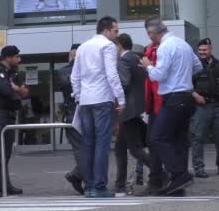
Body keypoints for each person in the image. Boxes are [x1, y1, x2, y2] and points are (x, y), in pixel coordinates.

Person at [140, 16, 202, 196]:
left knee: (157, 137)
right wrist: (182, 75)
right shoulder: (183, 44)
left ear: (152, 33)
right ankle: (178, 184)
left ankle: (179, 174)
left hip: (173, 98)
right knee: (178, 139)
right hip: (186, 97)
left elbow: (158, 75)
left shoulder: (165, 47)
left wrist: (148, 66)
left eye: (149, 35)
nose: (150, 38)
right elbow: (198, 67)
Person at [71, 16, 126, 198]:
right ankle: (100, 186)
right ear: (107, 30)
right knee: (102, 144)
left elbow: (75, 76)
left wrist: (79, 97)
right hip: (102, 99)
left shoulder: (83, 47)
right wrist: (121, 98)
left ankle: (89, 187)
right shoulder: (108, 46)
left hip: (86, 101)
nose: (117, 35)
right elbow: (111, 74)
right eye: (116, 31)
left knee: (88, 144)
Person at [0, 45, 30, 198]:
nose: (19, 59)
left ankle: (4, 185)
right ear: (8, 57)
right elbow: (7, 90)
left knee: (6, 154)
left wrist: (17, 88)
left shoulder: (14, 73)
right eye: (16, 57)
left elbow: (25, 92)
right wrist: (16, 89)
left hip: (9, 117)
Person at [190, 38, 219, 178]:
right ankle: (198, 168)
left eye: (205, 50)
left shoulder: (218, 65)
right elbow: (186, 84)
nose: (202, 52)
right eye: (200, 50)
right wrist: (195, 95)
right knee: (198, 138)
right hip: (201, 106)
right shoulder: (194, 65)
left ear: (210, 49)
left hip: (218, 106)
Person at [114, 34, 151, 196]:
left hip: (128, 110)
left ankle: (163, 174)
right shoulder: (136, 59)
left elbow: (123, 84)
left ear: (120, 46)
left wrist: (117, 102)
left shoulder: (123, 61)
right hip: (137, 109)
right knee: (120, 147)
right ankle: (120, 184)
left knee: (135, 149)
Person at [136, 43, 166, 196]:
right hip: (154, 106)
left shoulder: (159, 55)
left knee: (157, 143)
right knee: (153, 143)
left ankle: (163, 179)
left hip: (160, 106)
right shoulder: (152, 54)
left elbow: (156, 80)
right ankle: (158, 180)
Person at [58, 44, 84, 194]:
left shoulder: (78, 69)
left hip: (80, 112)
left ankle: (76, 175)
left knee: (86, 150)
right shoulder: (65, 71)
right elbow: (68, 85)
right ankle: (80, 177)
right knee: (82, 151)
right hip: (73, 114)